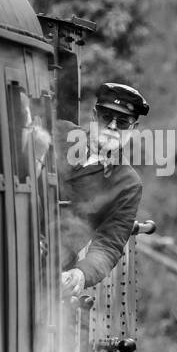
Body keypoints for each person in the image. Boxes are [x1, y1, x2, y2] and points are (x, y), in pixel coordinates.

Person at [57, 82, 149, 295]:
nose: (113, 127)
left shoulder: (128, 183)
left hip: (52, 269)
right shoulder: (59, 133)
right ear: (95, 115)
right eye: (107, 117)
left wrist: (81, 274)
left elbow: (109, 243)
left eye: (123, 122)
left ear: (133, 129)